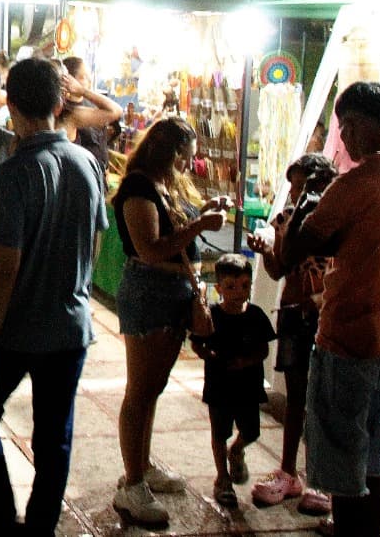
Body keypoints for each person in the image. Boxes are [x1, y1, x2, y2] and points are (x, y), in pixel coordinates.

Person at [0, 58, 108, 536]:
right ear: (61, 102)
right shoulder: (87, 163)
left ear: (14, 107)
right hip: (70, 327)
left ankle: (3, 522)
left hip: (19, 329)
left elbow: (5, 268)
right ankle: (40, 526)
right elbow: (95, 240)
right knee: (54, 438)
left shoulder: (16, 173)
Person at [282, 81, 380, 537]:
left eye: (344, 128)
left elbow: (296, 249)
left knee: (346, 460)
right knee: (373, 449)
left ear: (362, 125)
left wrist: (302, 208)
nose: (341, 139)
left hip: (348, 337)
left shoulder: (357, 185)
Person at [111, 116, 229, 525]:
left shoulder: (164, 182)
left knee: (153, 388)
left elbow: (174, 230)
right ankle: (131, 484)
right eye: (185, 158)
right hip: (149, 293)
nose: (188, 167)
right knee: (139, 390)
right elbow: (150, 249)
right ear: (168, 152)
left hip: (174, 292)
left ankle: (141, 469)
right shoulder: (139, 187)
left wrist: (203, 212)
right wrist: (199, 224)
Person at [245, 153, 336, 516]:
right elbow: (279, 269)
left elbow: (341, 271)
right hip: (294, 315)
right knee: (297, 394)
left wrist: (322, 298)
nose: (299, 194)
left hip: (325, 318)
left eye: (307, 187)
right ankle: (289, 471)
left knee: (322, 398)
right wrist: (266, 250)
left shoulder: (335, 224)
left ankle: (320, 477)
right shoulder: (286, 220)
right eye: (296, 187)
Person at [191, 254, 276, 508]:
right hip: (219, 386)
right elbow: (197, 342)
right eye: (231, 287)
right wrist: (208, 355)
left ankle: (237, 450)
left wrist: (246, 362)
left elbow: (264, 350)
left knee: (251, 431)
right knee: (219, 432)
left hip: (248, 387)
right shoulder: (212, 316)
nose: (239, 292)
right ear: (219, 288)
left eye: (244, 286)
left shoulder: (256, 316)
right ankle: (222, 479)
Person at [60, 57, 123, 175]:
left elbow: (116, 113)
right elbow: (116, 111)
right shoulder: (67, 111)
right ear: (69, 79)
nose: (89, 80)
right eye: (83, 77)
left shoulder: (92, 104)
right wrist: (82, 90)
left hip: (101, 173)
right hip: (84, 174)